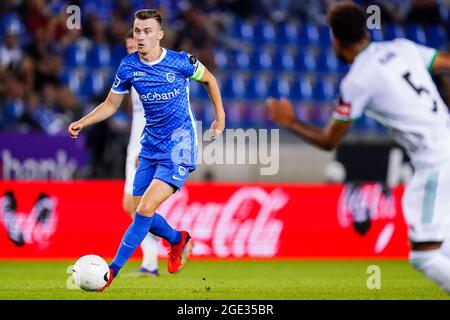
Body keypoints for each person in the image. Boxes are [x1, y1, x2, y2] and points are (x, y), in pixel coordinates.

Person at [267, 2, 450, 294]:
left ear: (335, 39)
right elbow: (446, 63)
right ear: (365, 30)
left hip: (435, 160)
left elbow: (330, 140)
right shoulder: (402, 47)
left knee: (425, 255)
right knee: (445, 250)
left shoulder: (358, 80)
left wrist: (290, 121)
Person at [68, 9, 225, 291]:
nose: (141, 36)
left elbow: (210, 80)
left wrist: (220, 117)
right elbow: (110, 105)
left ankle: (112, 271)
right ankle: (178, 239)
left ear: (160, 35)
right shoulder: (128, 66)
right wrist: (83, 121)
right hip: (150, 146)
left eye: (147, 31)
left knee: (145, 208)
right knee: (137, 210)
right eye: (137, 31)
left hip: (179, 147)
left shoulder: (181, 62)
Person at [122, 29, 159, 277]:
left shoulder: (153, 75)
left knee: (138, 205)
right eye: (128, 50)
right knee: (132, 206)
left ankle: (153, 260)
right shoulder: (130, 74)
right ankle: (153, 259)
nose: (132, 53)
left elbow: (156, 116)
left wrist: (146, 148)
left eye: (134, 48)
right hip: (134, 144)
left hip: (145, 146)